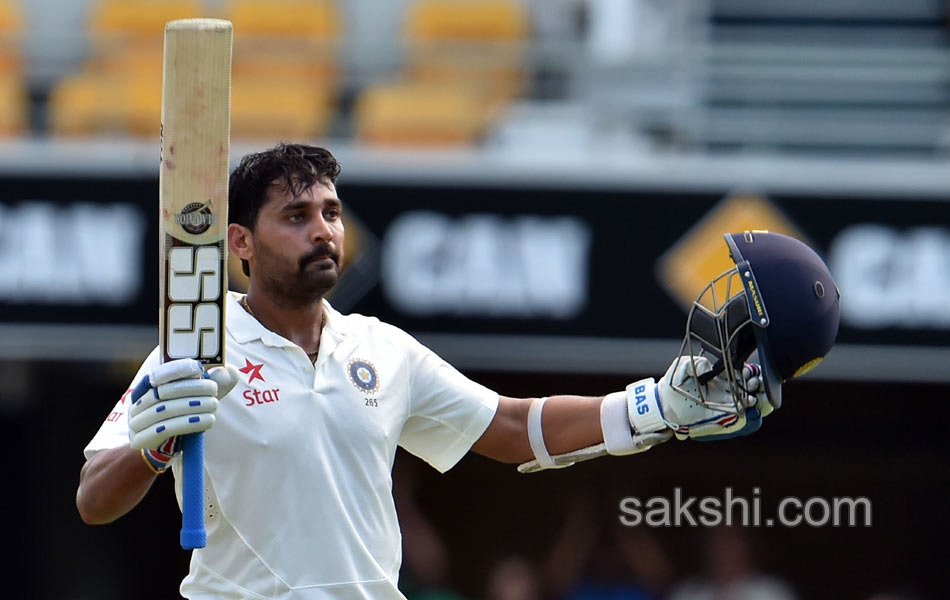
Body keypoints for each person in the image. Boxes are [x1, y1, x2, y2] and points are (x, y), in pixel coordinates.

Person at [75, 143, 839, 599]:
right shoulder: (193, 351)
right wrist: (151, 447)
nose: (322, 231)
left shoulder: (380, 348)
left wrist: (656, 407)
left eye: (331, 213)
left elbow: (509, 427)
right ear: (240, 242)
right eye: (296, 217)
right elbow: (92, 501)